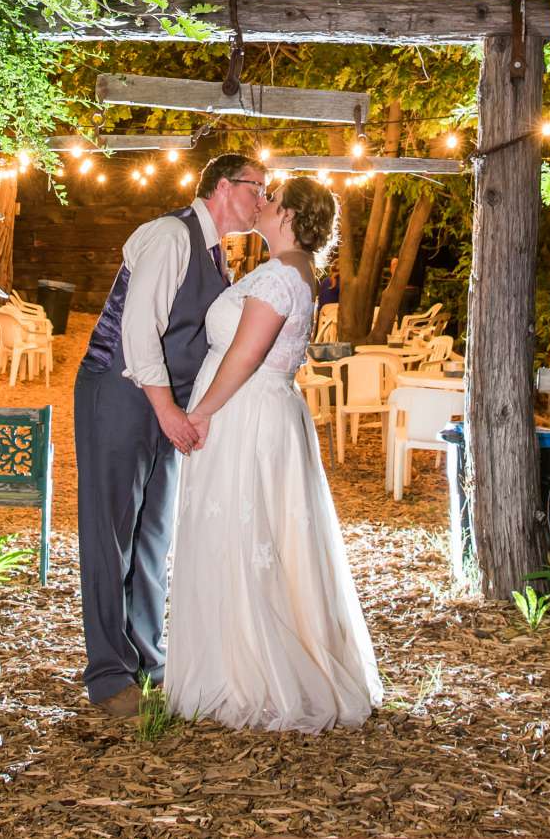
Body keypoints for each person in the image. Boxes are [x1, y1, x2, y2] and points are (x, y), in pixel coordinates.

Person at [165, 176, 382, 731]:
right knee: (256, 535)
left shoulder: (281, 275)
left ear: (287, 216)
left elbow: (244, 355)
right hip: (262, 411)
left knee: (244, 537)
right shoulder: (293, 271)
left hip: (246, 413)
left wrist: (200, 412)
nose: (262, 203)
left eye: (273, 199)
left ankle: (250, 671)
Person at [73, 151, 267, 717]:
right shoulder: (169, 236)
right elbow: (139, 331)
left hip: (165, 406)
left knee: (154, 532)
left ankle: (149, 660)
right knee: (110, 532)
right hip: (118, 391)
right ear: (226, 186)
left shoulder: (218, 254)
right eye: (259, 187)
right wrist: (166, 410)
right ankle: (108, 676)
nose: (263, 198)